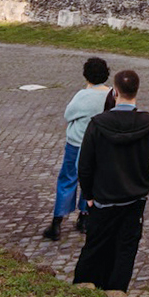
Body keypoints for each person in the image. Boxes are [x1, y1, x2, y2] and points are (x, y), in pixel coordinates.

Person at [72, 68, 149, 293]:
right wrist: (146, 187)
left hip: (104, 197)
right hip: (133, 199)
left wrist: (89, 194)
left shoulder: (98, 123)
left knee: (95, 245)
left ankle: (85, 285)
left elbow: (85, 164)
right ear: (137, 91)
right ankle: (116, 291)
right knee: (126, 249)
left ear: (115, 92)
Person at [41, 57, 111, 241]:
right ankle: (85, 217)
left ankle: (57, 221)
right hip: (98, 145)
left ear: (86, 75)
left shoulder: (82, 95)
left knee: (68, 179)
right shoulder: (111, 94)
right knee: (92, 180)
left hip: (77, 142)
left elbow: (68, 114)